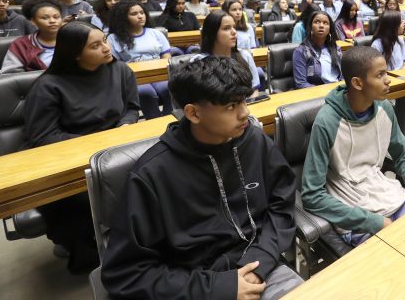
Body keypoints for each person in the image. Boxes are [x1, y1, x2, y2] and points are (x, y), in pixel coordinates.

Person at [102, 57, 301, 299]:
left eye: (244, 101)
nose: (245, 112)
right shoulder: (152, 174)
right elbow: (125, 274)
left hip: (262, 267)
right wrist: (220, 287)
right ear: (193, 113)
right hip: (193, 288)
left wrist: (262, 259)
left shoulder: (254, 141)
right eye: (231, 106)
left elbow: (282, 204)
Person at [24, 21, 140, 274]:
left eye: (105, 41)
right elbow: (42, 137)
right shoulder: (49, 86)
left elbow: (131, 108)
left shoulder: (120, 70)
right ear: (75, 53)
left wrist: (125, 125)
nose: (106, 49)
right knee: (78, 204)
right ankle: (93, 257)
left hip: (116, 149)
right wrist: (98, 143)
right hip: (70, 157)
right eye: (95, 46)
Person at [301, 46, 405, 247]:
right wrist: (374, 222)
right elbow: (311, 195)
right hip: (355, 214)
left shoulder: (385, 108)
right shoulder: (327, 122)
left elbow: (402, 153)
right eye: (380, 75)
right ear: (358, 83)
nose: (388, 79)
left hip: (389, 197)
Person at [107, 0, 174, 119]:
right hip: (133, 78)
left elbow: (166, 57)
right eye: (134, 14)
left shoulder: (156, 33)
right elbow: (114, 65)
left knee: (169, 87)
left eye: (142, 12)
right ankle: (154, 122)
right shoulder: (113, 38)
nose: (140, 16)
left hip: (158, 74)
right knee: (146, 93)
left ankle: (171, 119)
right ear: (123, 17)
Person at [195, 11, 262, 92]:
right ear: (212, 33)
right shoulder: (199, 61)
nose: (234, 32)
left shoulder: (245, 55)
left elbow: (254, 90)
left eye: (234, 27)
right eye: (226, 28)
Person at [2, 0, 61, 73]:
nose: (52, 21)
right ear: (33, 21)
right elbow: (12, 76)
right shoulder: (21, 44)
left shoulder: (72, 39)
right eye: (45, 18)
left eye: (56, 17)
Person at [293, 10, 343, 88]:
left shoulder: (336, 48)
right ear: (310, 27)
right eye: (317, 22)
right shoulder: (301, 51)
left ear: (330, 28)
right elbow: (301, 83)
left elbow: (343, 75)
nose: (321, 25)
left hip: (338, 90)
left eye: (325, 23)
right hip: (317, 94)